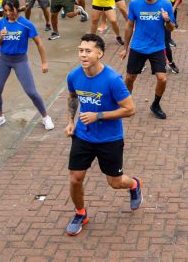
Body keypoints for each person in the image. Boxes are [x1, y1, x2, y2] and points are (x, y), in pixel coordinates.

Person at [64, 34, 142, 236]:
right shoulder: (74, 76)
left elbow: (130, 109)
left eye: (88, 51)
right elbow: (72, 98)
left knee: (115, 182)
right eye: (81, 50)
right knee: (75, 179)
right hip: (83, 135)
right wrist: (71, 122)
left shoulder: (112, 79)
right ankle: (80, 213)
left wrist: (98, 115)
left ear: (100, 54)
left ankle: (134, 184)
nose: (83, 54)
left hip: (110, 139)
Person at [0, 0, 53, 131]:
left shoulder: (26, 24)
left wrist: (44, 62)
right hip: (3, 59)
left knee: (31, 92)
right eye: (5, 11)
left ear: (17, 8)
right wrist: (1, 37)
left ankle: (46, 117)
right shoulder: (1, 23)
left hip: (20, 60)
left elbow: (39, 43)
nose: (8, 13)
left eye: (11, 10)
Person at [119, 0, 176, 119]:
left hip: (157, 47)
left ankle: (155, 104)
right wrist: (125, 47)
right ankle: (126, 104)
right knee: (130, 77)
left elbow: (171, 29)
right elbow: (129, 26)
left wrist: (167, 20)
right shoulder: (135, 3)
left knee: (162, 79)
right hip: (138, 47)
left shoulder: (166, 4)